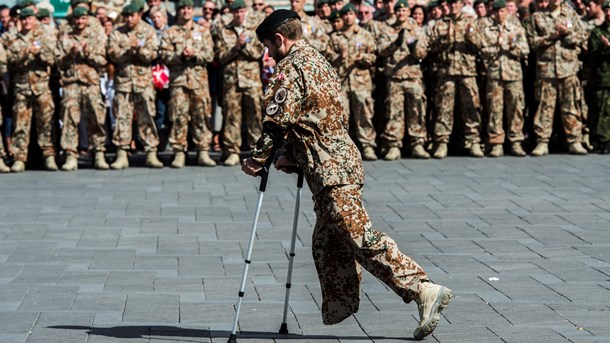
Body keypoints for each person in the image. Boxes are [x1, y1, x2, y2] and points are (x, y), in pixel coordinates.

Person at [242, 10, 452, 341]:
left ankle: (422, 289)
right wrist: (295, 157)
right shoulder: (318, 61)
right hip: (336, 163)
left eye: (268, 45)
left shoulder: (290, 68)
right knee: (326, 240)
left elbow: (276, 120)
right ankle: (342, 304)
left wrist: (259, 159)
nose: (268, 53)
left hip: (332, 170)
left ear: (279, 39)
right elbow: (320, 118)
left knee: (359, 236)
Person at [525, 0, 588, 155]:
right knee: (544, 107)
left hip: (568, 69)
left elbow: (582, 36)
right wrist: (551, 37)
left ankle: (574, 140)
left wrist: (567, 34)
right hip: (547, 70)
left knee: (571, 105)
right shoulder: (537, 17)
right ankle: (542, 141)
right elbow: (531, 42)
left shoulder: (571, 14)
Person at [160, 0, 216, 168]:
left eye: (189, 8)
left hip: (199, 82)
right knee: (178, 116)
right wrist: (181, 55)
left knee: (201, 116)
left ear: (193, 10)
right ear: (178, 11)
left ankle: (203, 151)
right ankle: (179, 152)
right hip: (179, 82)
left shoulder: (202, 31)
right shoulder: (170, 32)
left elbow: (210, 54)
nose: (186, 11)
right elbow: (164, 54)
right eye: (183, 8)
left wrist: (195, 54)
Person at [107, 3, 164, 169]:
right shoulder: (117, 32)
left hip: (143, 82)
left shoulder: (148, 30)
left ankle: (151, 152)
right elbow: (111, 53)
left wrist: (139, 50)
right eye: (127, 16)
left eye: (133, 15)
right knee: (122, 118)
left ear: (139, 14)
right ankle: (122, 153)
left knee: (146, 117)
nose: (130, 19)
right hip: (124, 82)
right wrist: (127, 50)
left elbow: (153, 54)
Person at [56, 7, 110, 170]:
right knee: (69, 117)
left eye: (83, 18)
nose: (80, 22)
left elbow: (103, 60)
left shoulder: (96, 35)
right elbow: (58, 61)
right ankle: (71, 155)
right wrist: (70, 54)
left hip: (90, 82)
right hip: (71, 82)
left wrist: (88, 53)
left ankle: (99, 152)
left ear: (88, 20)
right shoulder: (66, 36)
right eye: (77, 19)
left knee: (96, 116)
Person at [474, 0, 529, 156]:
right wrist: (498, 46)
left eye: (502, 11)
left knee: (516, 108)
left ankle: (516, 141)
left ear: (506, 11)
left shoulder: (516, 29)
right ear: (492, 12)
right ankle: (496, 142)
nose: (499, 14)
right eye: (496, 11)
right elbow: (483, 50)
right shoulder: (487, 30)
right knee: (494, 109)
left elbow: (524, 49)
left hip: (513, 74)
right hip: (495, 74)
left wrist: (506, 46)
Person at [6, 7, 58, 172]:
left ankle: (49, 156)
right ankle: (19, 158)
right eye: (24, 19)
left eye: (30, 19)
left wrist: (39, 53)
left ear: (35, 19)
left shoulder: (45, 35)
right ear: (20, 20)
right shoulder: (13, 38)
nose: (27, 22)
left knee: (46, 123)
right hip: (22, 88)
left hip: (41, 87)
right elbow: (9, 61)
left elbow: (52, 58)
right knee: (20, 124)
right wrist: (25, 53)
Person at [325, 3, 378, 160]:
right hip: (341, 83)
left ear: (355, 15)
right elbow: (327, 59)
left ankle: (368, 146)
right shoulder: (335, 37)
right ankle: (343, 148)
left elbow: (373, 56)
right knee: (342, 116)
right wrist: (338, 57)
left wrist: (363, 58)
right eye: (345, 15)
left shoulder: (365, 35)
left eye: (351, 14)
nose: (348, 17)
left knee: (365, 115)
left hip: (361, 82)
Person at [215, 0, 265, 166]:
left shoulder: (254, 30)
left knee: (255, 116)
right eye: (236, 12)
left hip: (251, 81)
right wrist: (236, 47)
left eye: (242, 11)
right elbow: (220, 57)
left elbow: (258, 53)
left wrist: (244, 47)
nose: (239, 15)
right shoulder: (224, 30)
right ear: (231, 13)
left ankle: (257, 150)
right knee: (231, 117)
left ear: (246, 11)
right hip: (232, 82)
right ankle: (232, 151)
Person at [378, 0, 430, 159]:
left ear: (408, 12)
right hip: (395, 77)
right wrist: (395, 43)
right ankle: (393, 145)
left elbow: (423, 53)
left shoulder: (417, 29)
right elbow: (382, 51)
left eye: (404, 11)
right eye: (398, 11)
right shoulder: (387, 28)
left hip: (413, 77)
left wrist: (414, 49)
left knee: (417, 111)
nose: (401, 13)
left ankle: (417, 144)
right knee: (394, 112)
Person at [588, 0, 610, 153]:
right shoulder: (597, 32)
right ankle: (603, 141)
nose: (609, 14)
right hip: (603, 77)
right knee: (602, 110)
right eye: (607, 11)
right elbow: (593, 53)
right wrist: (605, 48)